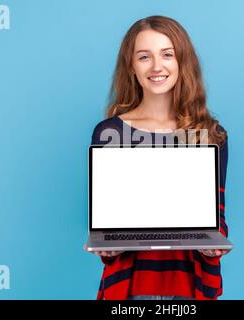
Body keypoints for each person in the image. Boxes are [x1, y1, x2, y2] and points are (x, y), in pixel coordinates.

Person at [85, 15, 230, 300]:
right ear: (132, 67)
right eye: (144, 57)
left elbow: (218, 215)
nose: (156, 66)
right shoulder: (109, 133)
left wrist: (213, 242)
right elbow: (107, 218)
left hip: (188, 283)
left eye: (167, 55)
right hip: (130, 285)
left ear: (182, 62)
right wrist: (107, 244)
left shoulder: (209, 134)